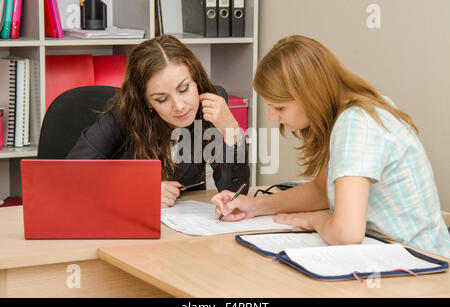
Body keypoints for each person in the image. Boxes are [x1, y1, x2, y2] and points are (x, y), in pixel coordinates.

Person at [211, 35, 450, 258]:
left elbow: (346, 234)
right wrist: (255, 206)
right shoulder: (356, 113)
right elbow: (322, 190)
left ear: (309, 95)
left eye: (280, 108)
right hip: (396, 254)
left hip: (420, 262)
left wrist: (315, 220)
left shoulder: (356, 124)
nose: (272, 117)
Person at [67, 35, 250, 208]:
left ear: (197, 81)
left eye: (184, 89)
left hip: (183, 225)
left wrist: (231, 131)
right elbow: (72, 176)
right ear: (146, 102)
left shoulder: (212, 105)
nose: (179, 106)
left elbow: (233, 194)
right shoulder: (122, 113)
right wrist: (140, 189)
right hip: (127, 221)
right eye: (162, 99)